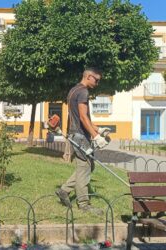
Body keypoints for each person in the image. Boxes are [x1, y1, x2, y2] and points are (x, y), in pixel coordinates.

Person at [55, 68, 110, 215]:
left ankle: (64, 190)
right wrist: (96, 137)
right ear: (89, 76)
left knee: (87, 166)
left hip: (75, 133)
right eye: (96, 80)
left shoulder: (74, 90)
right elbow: (83, 117)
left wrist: (99, 130)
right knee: (85, 167)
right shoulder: (83, 92)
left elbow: (84, 118)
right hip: (80, 135)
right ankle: (84, 204)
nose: (97, 83)